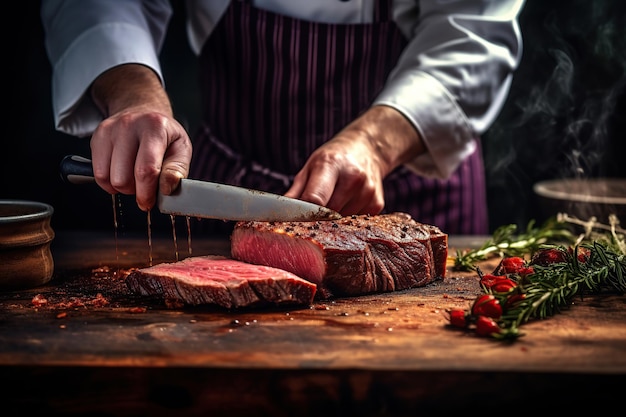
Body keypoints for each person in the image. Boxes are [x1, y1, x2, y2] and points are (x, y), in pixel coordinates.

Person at [41, 0, 526, 235]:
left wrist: (376, 146)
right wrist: (133, 95)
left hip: (413, 191)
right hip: (230, 189)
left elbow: (473, 29)